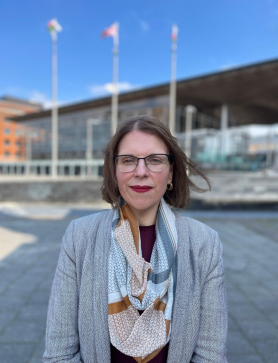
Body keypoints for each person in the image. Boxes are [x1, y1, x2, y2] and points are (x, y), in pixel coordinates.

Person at [43, 115, 228, 363]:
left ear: (171, 172)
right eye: (128, 160)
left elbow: (210, 356)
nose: (141, 172)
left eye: (155, 160)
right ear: (114, 171)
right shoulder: (80, 237)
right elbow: (59, 353)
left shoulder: (204, 243)